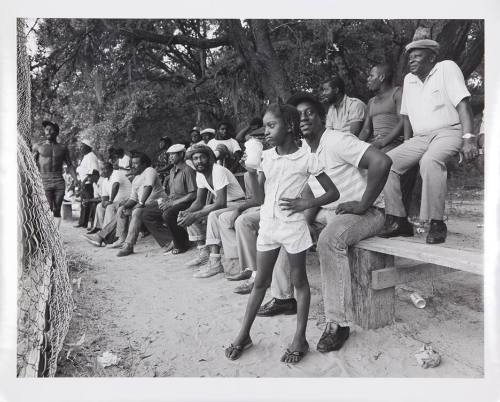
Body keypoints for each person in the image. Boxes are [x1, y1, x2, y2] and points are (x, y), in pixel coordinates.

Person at [252, 93, 391, 355]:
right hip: (328, 211)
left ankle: (337, 323)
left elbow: (382, 162)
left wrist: (362, 204)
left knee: (329, 240)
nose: (303, 119)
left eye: (310, 113)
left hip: (365, 212)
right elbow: (311, 194)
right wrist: (296, 220)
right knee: (287, 227)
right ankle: (283, 297)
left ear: (322, 117)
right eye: (298, 115)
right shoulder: (303, 152)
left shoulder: (337, 141)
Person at [225, 103, 339, 364]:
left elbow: (333, 193)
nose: (265, 131)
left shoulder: (307, 159)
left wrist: (306, 204)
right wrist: (250, 172)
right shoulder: (265, 157)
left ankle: (300, 338)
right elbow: (259, 197)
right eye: (265, 126)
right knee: (260, 283)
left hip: (293, 227)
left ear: (289, 126)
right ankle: (244, 334)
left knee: (299, 282)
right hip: (268, 226)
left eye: (271, 125)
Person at [379, 34, 477, 244]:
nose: (411, 60)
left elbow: (463, 105)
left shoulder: (446, 68)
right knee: (385, 162)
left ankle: (436, 223)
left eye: (417, 55)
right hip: (420, 137)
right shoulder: (409, 80)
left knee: (430, 161)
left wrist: (469, 138)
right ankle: (398, 221)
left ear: (431, 58)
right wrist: (406, 142)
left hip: (448, 131)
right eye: (410, 57)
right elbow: (405, 117)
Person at [359, 63, 419, 214]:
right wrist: (355, 145)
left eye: (371, 75)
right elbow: (366, 129)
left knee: (381, 164)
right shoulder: (371, 102)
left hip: (393, 143)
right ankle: (366, 207)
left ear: (381, 77)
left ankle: (390, 213)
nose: (368, 79)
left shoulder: (397, 93)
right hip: (375, 144)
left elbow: (402, 121)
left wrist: (383, 142)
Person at [177, 144, 245, 274]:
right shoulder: (200, 174)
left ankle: (215, 263)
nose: (198, 161)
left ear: (209, 158)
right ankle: (203, 254)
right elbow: (199, 202)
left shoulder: (217, 170)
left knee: (212, 214)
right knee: (189, 214)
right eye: (195, 158)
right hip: (226, 205)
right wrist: (187, 212)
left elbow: (220, 203)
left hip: (238, 203)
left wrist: (195, 215)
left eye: (202, 157)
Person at [141, 144, 197, 254]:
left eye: (173, 155)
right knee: (147, 213)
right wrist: (165, 201)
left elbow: (193, 194)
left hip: (187, 202)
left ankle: (182, 244)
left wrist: (172, 203)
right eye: (169, 155)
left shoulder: (188, 170)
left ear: (181, 154)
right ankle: (170, 240)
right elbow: (173, 193)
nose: (170, 157)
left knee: (168, 214)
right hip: (174, 201)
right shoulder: (172, 171)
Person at [33, 120, 78, 227]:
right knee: (47, 208)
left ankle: (55, 234)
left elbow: (70, 165)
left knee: (57, 209)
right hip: (44, 180)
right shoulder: (38, 147)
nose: (48, 131)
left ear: (56, 132)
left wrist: (76, 179)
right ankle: (47, 235)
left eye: (51, 129)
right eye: (46, 129)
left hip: (58, 181)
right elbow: (31, 165)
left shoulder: (62, 148)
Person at [83, 158, 133, 247]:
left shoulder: (116, 173)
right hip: (117, 202)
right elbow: (104, 198)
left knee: (110, 207)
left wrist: (110, 201)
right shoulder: (105, 181)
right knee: (100, 207)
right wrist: (104, 203)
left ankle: (104, 237)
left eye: (104, 169)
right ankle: (104, 236)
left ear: (110, 169)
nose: (102, 171)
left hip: (128, 200)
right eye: (101, 169)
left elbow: (116, 185)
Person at [74, 138, 100, 228]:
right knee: (84, 203)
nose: (80, 148)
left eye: (82, 147)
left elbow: (93, 171)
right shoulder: (86, 156)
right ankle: (83, 222)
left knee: (89, 202)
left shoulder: (91, 157)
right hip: (84, 182)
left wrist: (84, 181)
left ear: (88, 147)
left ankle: (92, 223)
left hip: (88, 183)